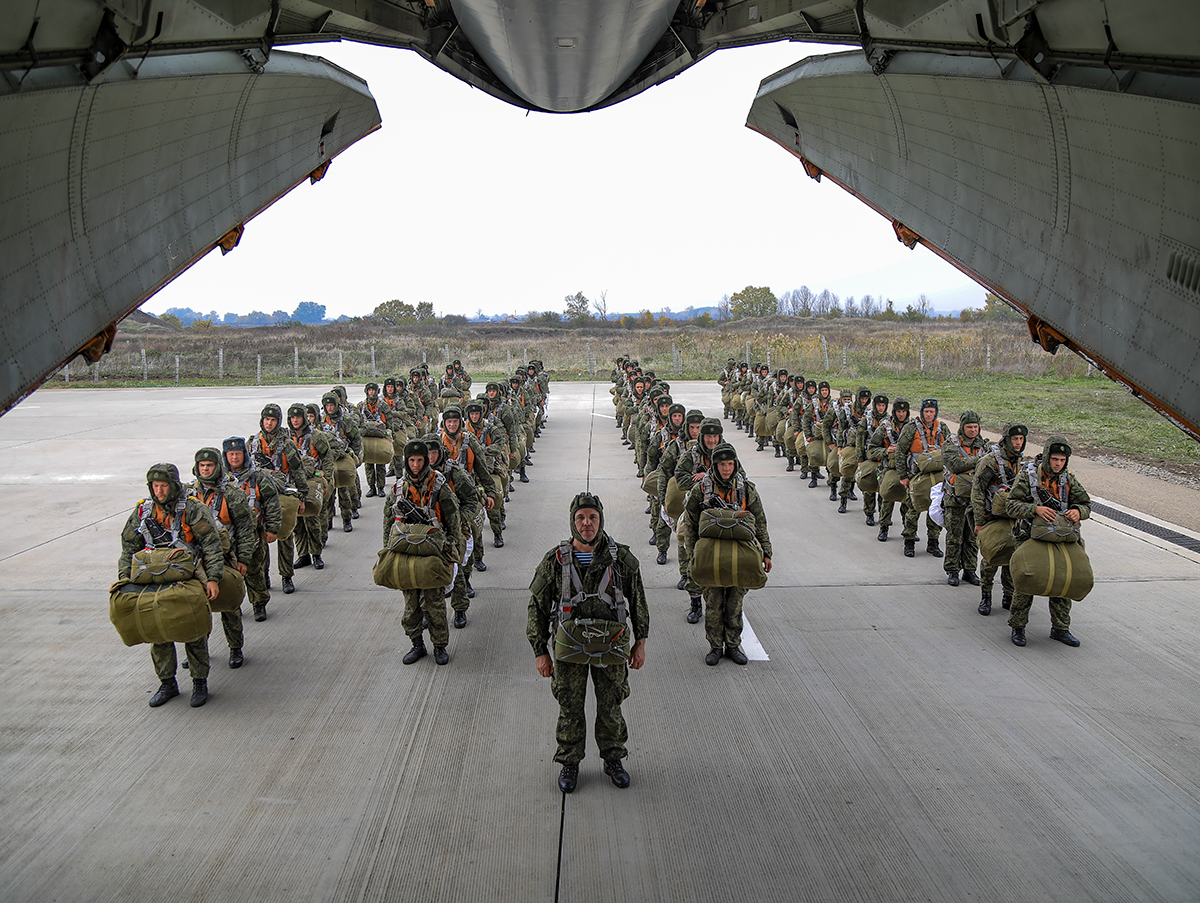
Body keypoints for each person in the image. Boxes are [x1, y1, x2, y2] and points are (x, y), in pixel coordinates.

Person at [527, 492, 649, 793]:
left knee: (611, 705)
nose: (586, 523)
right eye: (581, 517)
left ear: (601, 520)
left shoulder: (621, 559)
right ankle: (570, 760)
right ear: (573, 521)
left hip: (612, 648)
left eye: (592, 517)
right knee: (570, 706)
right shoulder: (555, 561)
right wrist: (540, 651)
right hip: (570, 649)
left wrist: (641, 641)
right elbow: (537, 607)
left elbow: (639, 601)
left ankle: (613, 759)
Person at [118, 463, 225, 708]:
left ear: (174, 485)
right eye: (155, 486)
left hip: (186, 575)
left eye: (164, 485)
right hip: (153, 577)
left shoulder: (193, 508)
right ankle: (167, 683)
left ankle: (199, 681)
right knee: (157, 630)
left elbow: (211, 545)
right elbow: (128, 547)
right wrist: (124, 579)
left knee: (193, 630)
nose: (159, 491)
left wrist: (213, 578)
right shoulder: (143, 511)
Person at [681, 442, 772, 666]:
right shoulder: (701, 489)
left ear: (735, 464)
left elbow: (760, 522)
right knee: (713, 605)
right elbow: (690, 524)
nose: (726, 469)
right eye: (722, 464)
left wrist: (766, 553)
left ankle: (733, 645)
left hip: (740, 557)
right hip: (711, 557)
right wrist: (693, 555)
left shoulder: (746, 489)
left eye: (730, 464)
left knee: (734, 604)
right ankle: (714, 647)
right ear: (715, 465)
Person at [1004, 436, 1091, 647]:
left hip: (1061, 537)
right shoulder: (1028, 477)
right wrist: (1035, 509)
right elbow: (1011, 506)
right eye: (1054, 459)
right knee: (1026, 581)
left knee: (1064, 581)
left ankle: (1061, 628)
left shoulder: (1069, 479)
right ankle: (1018, 626)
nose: (1058, 463)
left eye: (1062, 460)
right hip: (1030, 536)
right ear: (1047, 457)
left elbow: (1086, 503)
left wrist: (1078, 512)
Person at [384, 440, 461, 665]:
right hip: (407, 552)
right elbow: (388, 520)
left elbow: (452, 519)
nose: (416, 465)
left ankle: (439, 646)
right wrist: (387, 551)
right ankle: (417, 645)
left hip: (432, 551)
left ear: (426, 460)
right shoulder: (399, 488)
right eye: (411, 460)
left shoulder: (438, 485)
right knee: (411, 604)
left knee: (435, 603)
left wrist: (452, 551)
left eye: (419, 460)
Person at [187, 447, 257, 668]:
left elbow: (246, 529)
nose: (205, 470)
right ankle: (199, 652)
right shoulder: (188, 495)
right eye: (202, 466)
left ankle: (235, 647)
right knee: (196, 607)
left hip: (227, 556)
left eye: (209, 466)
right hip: (196, 561)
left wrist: (243, 559)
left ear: (217, 467)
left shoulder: (233, 494)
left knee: (229, 606)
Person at [247, 403, 310, 596]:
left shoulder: (287, 443)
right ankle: (264, 576)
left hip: (283, 492)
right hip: (259, 496)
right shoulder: (253, 443)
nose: (269, 423)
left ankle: (286, 576)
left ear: (278, 421)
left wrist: (302, 496)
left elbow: (298, 470)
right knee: (260, 539)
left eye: (273, 420)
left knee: (284, 536)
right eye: (266, 419)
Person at [971, 422, 1029, 615]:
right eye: (1015, 439)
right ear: (1007, 440)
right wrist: (979, 521)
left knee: (1013, 557)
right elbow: (977, 491)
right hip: (992, 517)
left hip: (1015, 518)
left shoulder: (1023, 463)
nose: (1018, 443)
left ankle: (1008, 595)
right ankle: (986, 595)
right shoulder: (990, 461)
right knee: (991, 557)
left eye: (1021, 439)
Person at [222, 436, 282, 622]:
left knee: (255, 570)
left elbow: (272, 503)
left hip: (253, 532)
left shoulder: (258, 476)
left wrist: (272, 529)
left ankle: (259, 603)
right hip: (227, 536)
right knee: (231, 574)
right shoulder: (220, 480)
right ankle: (235, 604)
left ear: (244, 454)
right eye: (230, 454)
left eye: (237, 454)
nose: (234, 458)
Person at [896, 398, 950, 558]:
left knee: (936, 508)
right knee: (913, 509)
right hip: (916, 476)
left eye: (932, 412)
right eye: (926, 412)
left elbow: (951, 450)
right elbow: (900, 451)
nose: (929, 414)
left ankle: (933, 542)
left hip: (938, 476)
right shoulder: (911, 428)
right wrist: (903, 476)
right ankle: (909, 542)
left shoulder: (943, 428)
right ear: (921, 412)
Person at [940, 411, 989, 586]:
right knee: (954, 536)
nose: (973, 430)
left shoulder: (984, 445)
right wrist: (978, 461)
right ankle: (952, 570)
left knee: (972, 538)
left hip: (975, 502)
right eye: (969, 427)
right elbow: (954, 465)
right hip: (955, 499)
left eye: (975, 427)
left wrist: (968, 466)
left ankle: (969, 570)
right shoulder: (951, 443)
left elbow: (989, 468)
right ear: (962, 427)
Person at [867, 397, 911, 543]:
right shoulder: (885, 427)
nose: (901, 414)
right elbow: (872, 449)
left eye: (904, 411)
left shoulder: (912, 428)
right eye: (899, 411)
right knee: (887, 498)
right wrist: (886, 451)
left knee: (909, 501)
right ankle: (884, 527)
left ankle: (909, 529)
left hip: (908, 468)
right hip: (889, 468)